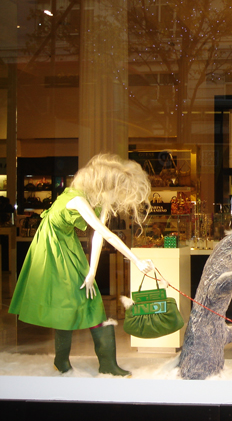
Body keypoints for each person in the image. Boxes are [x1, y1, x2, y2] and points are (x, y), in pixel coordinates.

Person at [9, 153, 155, 376]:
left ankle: (104, 363)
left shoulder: (98, 201)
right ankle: (63, 361)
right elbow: (107, 234)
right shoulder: (77, 200)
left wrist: (92, 273)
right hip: (51, 248)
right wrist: (135, 260)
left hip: (68, 245)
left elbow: (98, 237)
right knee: (67, 304)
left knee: (90, 299)